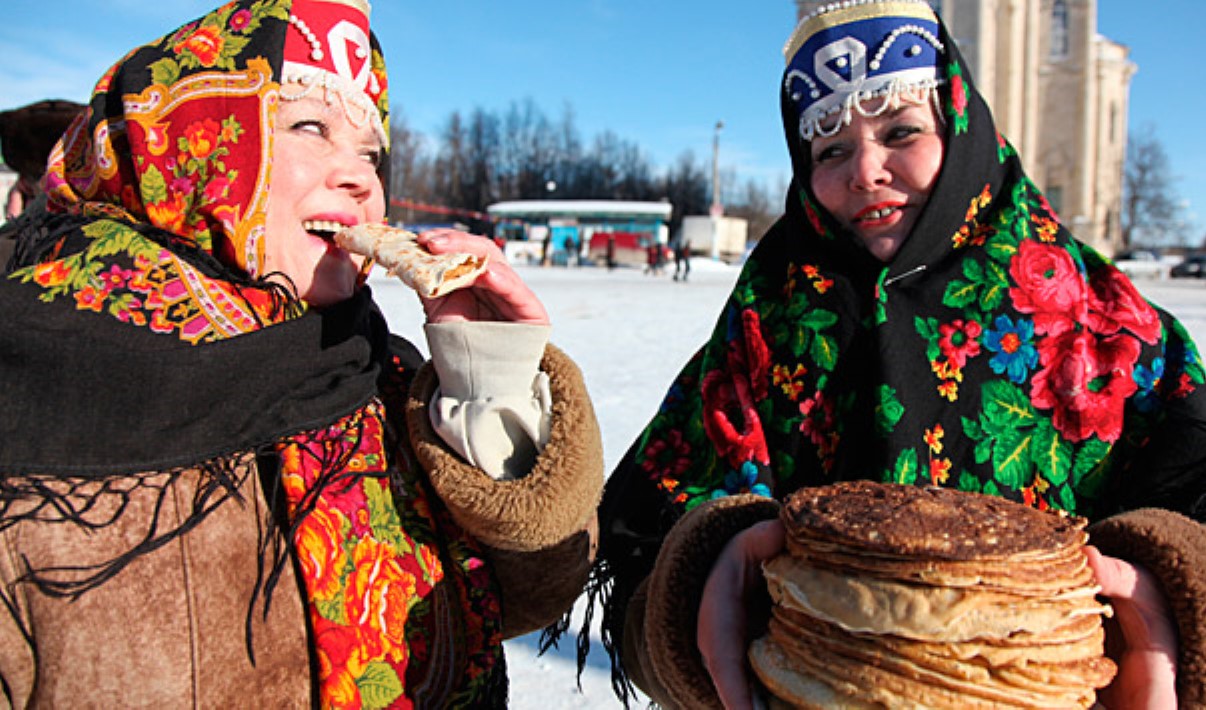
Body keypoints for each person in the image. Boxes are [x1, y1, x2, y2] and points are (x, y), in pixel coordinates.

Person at [564, 2, 1206, 708]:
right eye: (830, 150)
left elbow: (1189, 486)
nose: (865, 171)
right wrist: (699, 578)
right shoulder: (772, 316)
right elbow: (650, 544)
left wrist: (1166, 592)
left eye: (901, 131)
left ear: (963, 131)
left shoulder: (1097, 321)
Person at [0, 1, 602, 707]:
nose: (360, 179)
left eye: (371, 152)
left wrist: (489, 376)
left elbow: (529, 595)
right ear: (188, 144)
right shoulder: (36, 375)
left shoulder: (390, 374)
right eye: (310, 126)